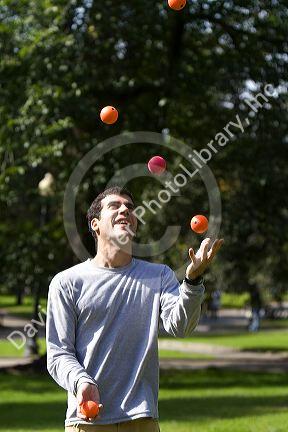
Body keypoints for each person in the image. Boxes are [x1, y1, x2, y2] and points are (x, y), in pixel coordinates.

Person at [46, 186, 224, 432]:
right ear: (95, 224)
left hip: (142, 420)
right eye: (115, 206)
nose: (125, 210)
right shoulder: (67, 282)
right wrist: (81, 381)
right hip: (87, 420)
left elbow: (180, 326)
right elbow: (58, 353)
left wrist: (192, 280)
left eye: (130, 207)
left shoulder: (159, 276)